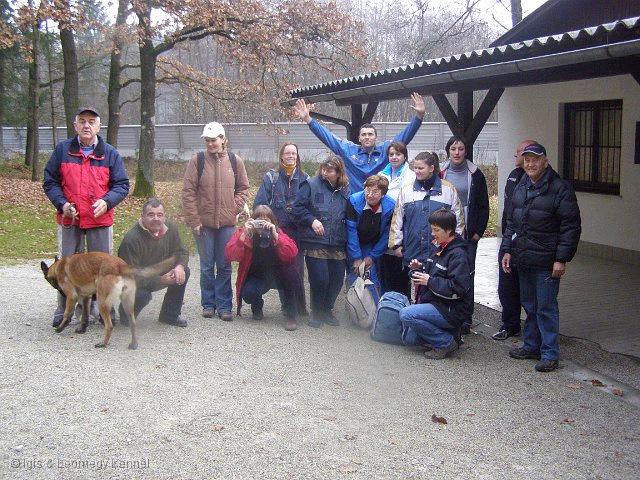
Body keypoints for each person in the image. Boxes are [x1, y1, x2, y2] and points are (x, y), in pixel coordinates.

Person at [43, 106, 130, 328]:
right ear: (75, 126)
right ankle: (64, 309)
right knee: (65, 267)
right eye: (82, 121)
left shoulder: (110, 153)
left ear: (99, 126)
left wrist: (108, 201)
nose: (86, 125)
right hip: (70, 219)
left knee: (103, 267)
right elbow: (50, 182)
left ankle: (103, 309)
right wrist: (62, 204)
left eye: (91, 121)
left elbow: (122, 185)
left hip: (99, 220)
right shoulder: (62, 150)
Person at [501, 142, 581, 372]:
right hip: (523, 258)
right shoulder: (521, 185)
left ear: (545, 161)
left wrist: (561, 258)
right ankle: (531, 346)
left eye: (535, 159)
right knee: (530, 305)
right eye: (526, 159)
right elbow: (510, 222)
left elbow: (570, 227)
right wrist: (508, 249)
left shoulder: (560, 188)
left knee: (546, 308)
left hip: (547, 261)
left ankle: (549, 353)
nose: (530, 163)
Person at [182, 122, 250, 321]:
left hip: (227, 224)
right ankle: (208, 304)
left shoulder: (235, 161)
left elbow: (243, 188)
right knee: (206, 265)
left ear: (222, 139)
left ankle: (224, 305)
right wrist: (194, 220)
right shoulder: (198, 161)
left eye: (214, 140)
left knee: (225, 264)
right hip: (203, 224)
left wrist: (235, 207)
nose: (211, 144)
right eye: (208, 141)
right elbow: (188, 193)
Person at [292, 93, 425, 192]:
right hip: (353, 203)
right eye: (364, 135)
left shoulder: (386, 150)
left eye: (370, 134)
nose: (367, 137)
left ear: (376, 138)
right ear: (359, 138)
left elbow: (404, 138)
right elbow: (328, 137)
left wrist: (419, 117)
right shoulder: (348, 150)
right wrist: (309, 119)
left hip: (379, 203)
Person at [389, 151, 463, 298]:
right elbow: (397, 219)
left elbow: (458, 221)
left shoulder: (449, 189)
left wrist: (456, 246)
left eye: (420, 168)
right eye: (415, 168)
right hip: (413, 250)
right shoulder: (406, 190)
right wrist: (396, 245)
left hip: (440, 253)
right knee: (413, 294)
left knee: (436, 292)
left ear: (431, 168)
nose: (416, 171)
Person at [399, 209, 471, 359]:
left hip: (451, 309)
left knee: (406, 315)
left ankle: (446, 342)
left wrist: (429, 281)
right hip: (435, 303)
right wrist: (418, 269)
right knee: (409, 339)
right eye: (432, 229)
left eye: (436, 230)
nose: (432, 233)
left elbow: (458, 288)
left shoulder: (459, 255)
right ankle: (450, 335)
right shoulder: (439, 247)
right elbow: (431, 273)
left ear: (449, 230)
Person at [293, 155, 350, 328]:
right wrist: (312, 220)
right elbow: (297, 208)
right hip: (315, 240)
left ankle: (327, 310)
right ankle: (316, 312)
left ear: (339, 172)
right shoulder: (310, 184)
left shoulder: (346, 189)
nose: (325, 173)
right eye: (324, 169)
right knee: (320, 278)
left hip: (338, 240)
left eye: (330, 170)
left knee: (337, 280)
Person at [253, 142, 310, 315]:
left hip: (297, 233)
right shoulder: (272, 177)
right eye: (287, 153)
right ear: (282, 156)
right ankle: (287, 308)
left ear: (297, 156)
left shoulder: (305, 178)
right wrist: (267, 226)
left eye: (294, 153)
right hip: (276, 231)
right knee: (284, 268)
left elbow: (309, 205)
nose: (291, 156)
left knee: (298, 269)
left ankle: (299, 307)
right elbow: (260, 204)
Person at [441, 135, 490, 333]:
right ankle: (445, 312)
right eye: (453, 149)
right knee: (443, 272)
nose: (457, 152)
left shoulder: (476, 174)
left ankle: (465, 318)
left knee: (466, 275)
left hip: (468, 233)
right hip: (445, 230)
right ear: (448, 151)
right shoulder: (440, 172)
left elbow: (483, 204)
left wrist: (478, 231)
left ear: (466, 151)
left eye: (460, 149)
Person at [225, 205, 301, 331]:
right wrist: (244, 234)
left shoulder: (278, 233)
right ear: (253, 221)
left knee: (291, 274)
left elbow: (292, 253)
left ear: (273, 222)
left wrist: (276, 236)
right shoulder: (246, 234)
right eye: (259, 220)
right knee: (248, 293)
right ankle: (257, 306)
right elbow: (230, 255)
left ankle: (290, 315)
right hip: (258, 276)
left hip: (279, 275)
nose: (262, 224)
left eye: (266, 220)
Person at [117, 198, 190, 328]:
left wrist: (179, 267)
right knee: (143, 294)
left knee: (184, 271)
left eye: (159, 215)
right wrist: (161, 280)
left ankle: (169, 315)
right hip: (134, 281)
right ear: (142, 217)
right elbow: (131, 277)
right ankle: (125, 314)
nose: (156, 218)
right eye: (151, 215)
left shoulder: (171, 228)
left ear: (164, 217)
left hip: (157, 272)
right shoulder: (131, 239)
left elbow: (182, 251)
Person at [492, 139, 535, 341]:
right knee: (506, 286)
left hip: (530, 244)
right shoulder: (513, 176)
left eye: (519, 152)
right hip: (509, 240)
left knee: (528, 290)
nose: (515, 156)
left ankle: (534, 333)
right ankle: (510, 325)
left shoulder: (540, 181)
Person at [346, 175, 395, 292]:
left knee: (370, 276)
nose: (369, 195)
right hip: (354, 243)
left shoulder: (390, 206)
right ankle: (352, 307)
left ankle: (374, 308)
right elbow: (351, 230)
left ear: (383, 194)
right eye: (367, 190)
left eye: (375, 192)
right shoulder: (354, 201)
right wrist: (356, 257)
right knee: (355, 274)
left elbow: (387, 234)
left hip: (372, 244)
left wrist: (372, 257)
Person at [379, 141, 415, 293]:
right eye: (391, 154)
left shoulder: (411, 176)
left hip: (402, 227)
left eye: (398, 154)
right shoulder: (381, 175)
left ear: (405, 156)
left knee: (400, 277)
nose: (394, 157)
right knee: (384, 276)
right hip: (383, 228)